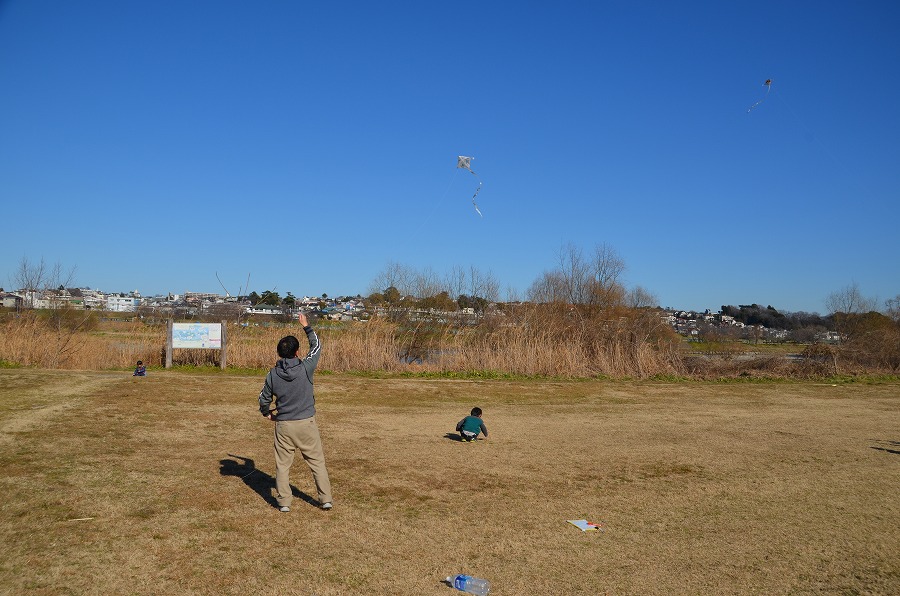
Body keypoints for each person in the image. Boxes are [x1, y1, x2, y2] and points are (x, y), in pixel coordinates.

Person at [258, 312, 333, 513]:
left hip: (284, 425)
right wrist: (306, 326)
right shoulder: (306, 367)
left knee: (282, 466)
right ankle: (325, 499)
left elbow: (263, 398)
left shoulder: (272, 374)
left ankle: (284, 503)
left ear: (279, 353)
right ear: (298, 352)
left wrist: (267, 413)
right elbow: (316, 347)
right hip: (307, 423)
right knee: (317, 463)